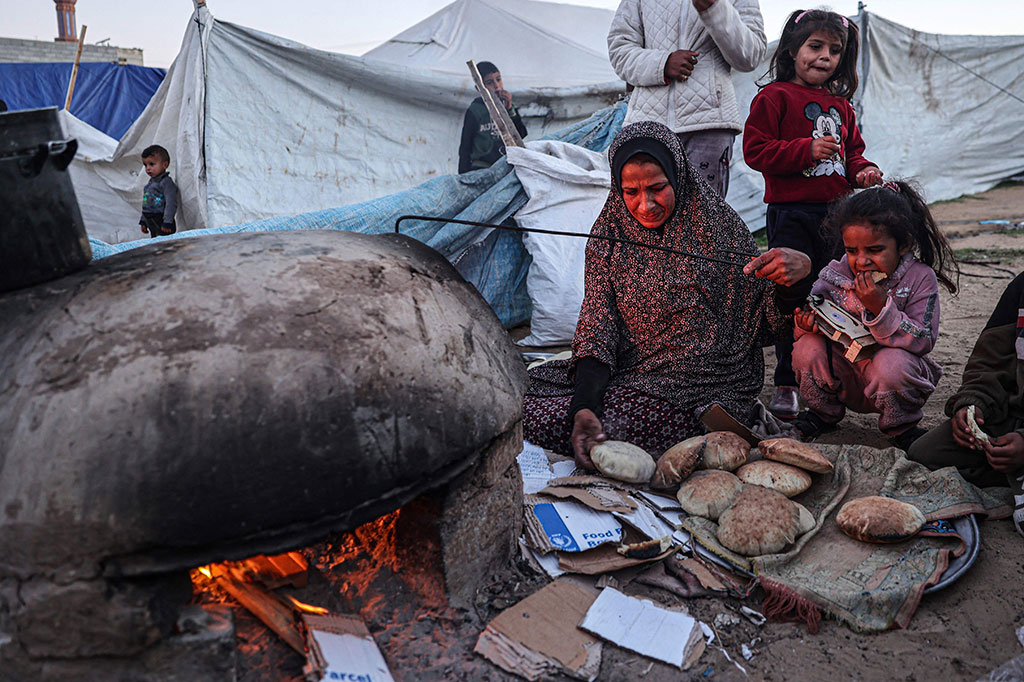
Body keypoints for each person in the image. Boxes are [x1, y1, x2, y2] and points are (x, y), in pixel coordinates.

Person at [522, 121, 811, 469]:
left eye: (657, 188)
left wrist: (791, 283)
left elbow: (768, 322)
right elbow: (597, 329)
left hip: (705, 387)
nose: (646, 205)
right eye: (631, 192)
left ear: (677, 175)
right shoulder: (608, 236)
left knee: (607, 429)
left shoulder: (719, 229)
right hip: (632, 372)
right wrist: (585, 404)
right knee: (517, 400)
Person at [743, 8, 883, 420]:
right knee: (791, 296)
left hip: (837, 217)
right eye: (815, 46)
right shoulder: (774, 97)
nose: (825, 57)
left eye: (834, 50)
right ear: (792, 49)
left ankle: (827, 380)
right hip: (791, 215)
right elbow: (755, 151)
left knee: (835, 295)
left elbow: (853, 155)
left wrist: (865, 172)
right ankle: (787, 381)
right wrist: (805, 150)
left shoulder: (841, 106)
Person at [789, 180, 959, 451]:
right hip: (844, 374)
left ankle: (901, 425)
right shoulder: (837, 274)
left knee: (892, 362)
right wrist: (806, 325)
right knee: (806, 347)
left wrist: (881, 308)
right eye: (852, 250)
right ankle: (822, 413)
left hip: (891, 378)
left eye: (875, 250)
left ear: (904, 245)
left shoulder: (918, 278)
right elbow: (817, 310)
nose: (861, 261)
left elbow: (923, 339)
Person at [607, 0, 767, 198]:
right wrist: (663, 63)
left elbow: (750, 57)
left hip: (709, 124)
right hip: (647, 125)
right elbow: (619, 51)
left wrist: (714, 9)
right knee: (645, 217)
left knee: (703, 220)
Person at [907, 272, 1024, 536]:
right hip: (1010, 417)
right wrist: (973, 404)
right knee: (926, 453)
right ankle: (1013, 473)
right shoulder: (1021, 288)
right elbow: (988, 362)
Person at [457, 61, 528, 174]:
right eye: (490, 82)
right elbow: (465, 146)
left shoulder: (507, 105)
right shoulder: (475, 110)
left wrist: (509, 108)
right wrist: (463, 176)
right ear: (479, 88)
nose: (496, 86)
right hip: (481, 168)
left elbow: (521, 134)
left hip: (506, 165)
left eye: (498, 79)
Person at [139, 145, 178, 238]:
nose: (148, 168)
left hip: (161, 220)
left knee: (165, 244)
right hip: (150, 219)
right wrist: (143, 220)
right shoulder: (150, 183)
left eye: (152, 164)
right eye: (145, 165)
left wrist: (168, 221)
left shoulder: (166, 182)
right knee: (155, 241)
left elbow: (171, 203)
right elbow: (146, 203)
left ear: (165, 165)